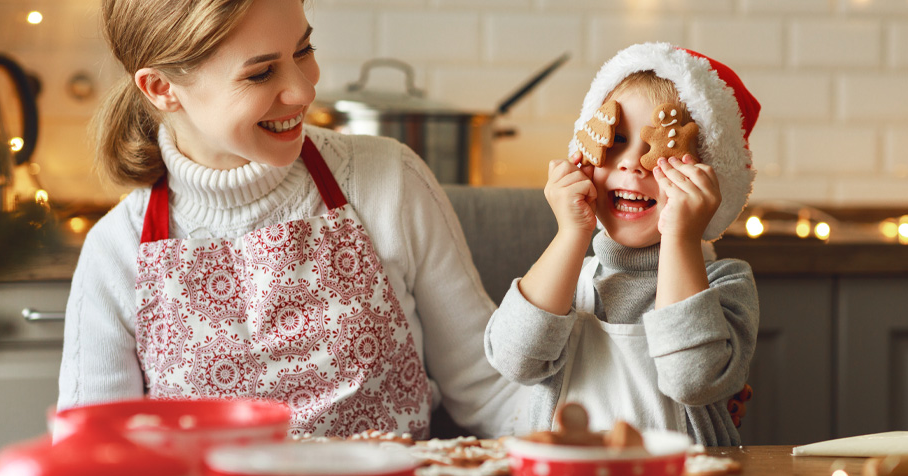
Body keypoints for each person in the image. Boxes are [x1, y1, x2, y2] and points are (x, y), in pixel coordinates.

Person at [57, 0, 523, 440]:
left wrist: (582, 445)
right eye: (260, 73)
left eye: (304, 50)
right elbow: (93, 453)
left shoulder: (387, 181)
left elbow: (491, 391)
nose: (304, 90)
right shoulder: (116, 250)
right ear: (161, 88)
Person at [484, 42, 761, 446]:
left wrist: (680, 236)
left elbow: (693, 380)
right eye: (614, 141)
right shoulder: (567, 280)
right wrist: (571, 233)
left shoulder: (726, 282)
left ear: (709, 178)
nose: (631, 163)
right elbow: (515, 361)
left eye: (658, 149)